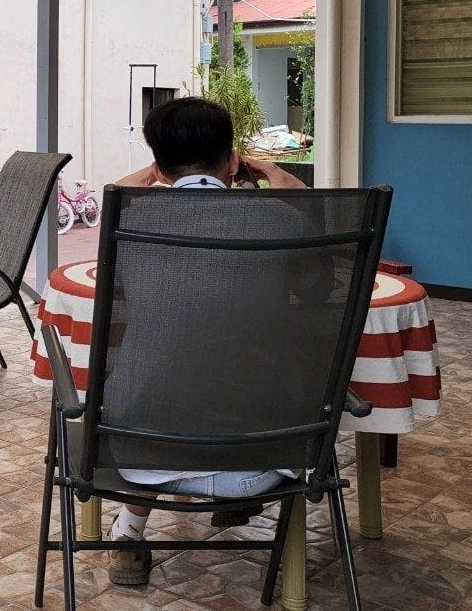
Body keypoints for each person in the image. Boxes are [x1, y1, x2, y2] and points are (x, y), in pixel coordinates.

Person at [108, 97, 307, 587]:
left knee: (157, 375)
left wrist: (142, 181)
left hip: (143, 454)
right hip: (260, 461)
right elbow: (318, 290)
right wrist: (293, 190)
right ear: (235, 162)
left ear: (158, 169)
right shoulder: (282, 219)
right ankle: (234, 501)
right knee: (246, 362)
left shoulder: (128, 221)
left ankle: (128, 532)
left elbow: (118, 196)